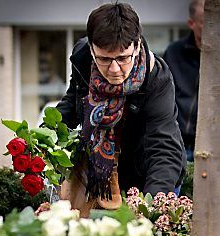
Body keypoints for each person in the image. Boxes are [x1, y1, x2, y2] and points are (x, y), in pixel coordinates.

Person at [56, 2, 185, 213]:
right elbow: (73, 103)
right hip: (100, 176)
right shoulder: (83, 58)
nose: (114, 69)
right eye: (104, 59)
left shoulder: (156, 76)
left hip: (149, 173)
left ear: (136, 46)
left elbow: (162, 147)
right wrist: (43, 137)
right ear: (91, 48)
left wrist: (151, 209)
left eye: (123, 58)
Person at [163, 0, 204, 161]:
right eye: (204, 23)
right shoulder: (174, 52)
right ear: (191, 24)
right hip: (176, 142)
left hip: (212, 144)